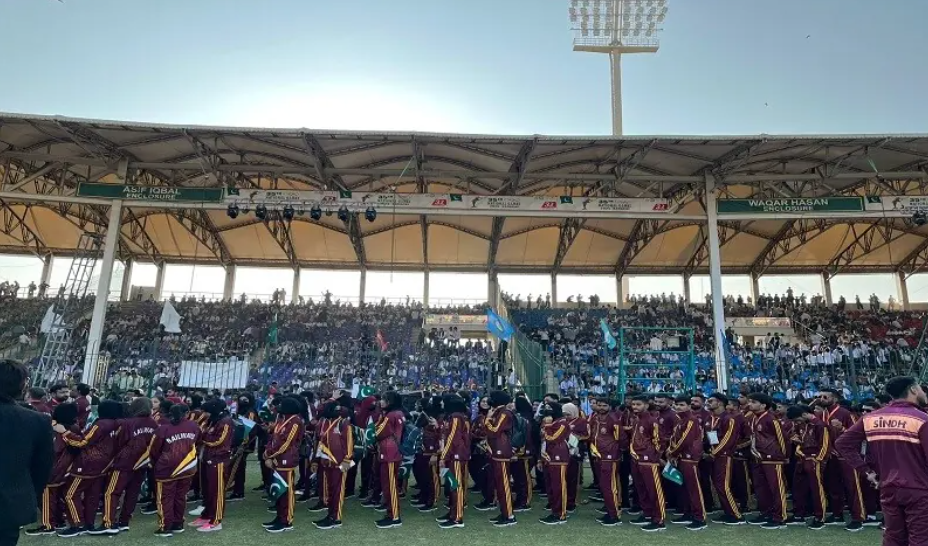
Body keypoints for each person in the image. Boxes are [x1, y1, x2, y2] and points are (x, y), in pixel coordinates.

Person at [836, 376, 928, 546]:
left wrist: (866, 471)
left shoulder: (871, 418)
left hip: (888, 487)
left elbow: (842, 443)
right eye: (922, 389)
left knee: (893, 537)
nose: (924, 392)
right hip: (919, 489)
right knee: (921, 538)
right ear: (913, 390)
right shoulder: (921, 419)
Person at [0, 359, 53, 546]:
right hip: (10, 504)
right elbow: (42, 468)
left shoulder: (36, 420)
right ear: (23, 385)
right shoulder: (37, 421)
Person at [57, 400, 123, 537]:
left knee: (70, 493)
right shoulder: (119, 424)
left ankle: (77, 525)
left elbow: (83, 441)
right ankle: (89, 523)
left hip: (87, 463)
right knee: (92, 495)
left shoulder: (101, 424)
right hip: (104, 464)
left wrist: (65, 433)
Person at [97, 397, 157, 534]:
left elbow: (118, 442)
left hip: (123, 463)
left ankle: (108, 523)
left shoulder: (126, 423)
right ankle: (124, 522)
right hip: (142, 463)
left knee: (112, 492)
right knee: (132, 493)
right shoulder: (153, 424)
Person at [26, 403, 79, 537]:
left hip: (54, 468)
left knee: (46, 496)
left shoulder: (57, 430)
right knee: (57, 495)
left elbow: (54, 449)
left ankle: (48, 525)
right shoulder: (74, 428)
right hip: (65, 467)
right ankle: (59, 520)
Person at [149, 404, 201, 538]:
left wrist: (157, 463)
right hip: (188, 467)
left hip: (167, 469)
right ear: (186, 413)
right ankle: (178, 524)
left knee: (165, 498)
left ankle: (165, 527)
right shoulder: (193, 426)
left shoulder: (163, 429)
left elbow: (153, 450)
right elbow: (197, 441)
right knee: (180, 496)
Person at [746, 392, 790, 530]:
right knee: (761, 488)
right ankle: (766, 513)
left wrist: (783, 456)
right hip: (759, 458)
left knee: (776, 488)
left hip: (773, 459)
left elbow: (782, 438)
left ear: (763, 405)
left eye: (753, 402)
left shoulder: (771, 419)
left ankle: (780, 517)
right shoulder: (754, 418)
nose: (749, 404)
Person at [263, 396, 303, 533]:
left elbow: (286, 443)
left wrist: (269, 455)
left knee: (287, 491)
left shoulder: (295, 422)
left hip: (286, 460)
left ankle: (287, 521)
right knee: (279, 490)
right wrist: (267, 452)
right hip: (277, 459)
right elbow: (274, 438)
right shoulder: (282, 420)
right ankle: (279, 517)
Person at [666, 395, 707, 531]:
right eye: (677, 405)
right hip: (681, 458)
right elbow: (674, 438)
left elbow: (685, 441)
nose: (678, 407)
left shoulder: (691, 420)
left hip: (689, 458)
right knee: (684, 488)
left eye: (682, 405)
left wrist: (673, 452)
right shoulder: (681, 420)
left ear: (689, 406)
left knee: (694, 488)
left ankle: (700, 518)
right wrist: (671, 450)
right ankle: (688, 513)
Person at [314, 394, 354, 530]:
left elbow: (349, 446)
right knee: (331, 491)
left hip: (340, 464)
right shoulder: (328, 424)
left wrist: (345, 466)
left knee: (338, 492)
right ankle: (329, 514)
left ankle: (336, 518)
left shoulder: (343, 424)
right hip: (328, 463)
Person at [786, 404, 830, 530]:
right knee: (798, 487)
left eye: (797, 420)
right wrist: (795, 439)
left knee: (817, 489)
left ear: (804, 414)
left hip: (814, 460)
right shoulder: (802, 424)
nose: (796, 423)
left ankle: (820, 517)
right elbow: (796, 436)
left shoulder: (820, 425)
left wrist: (818, 460)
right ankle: (799, 514)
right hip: (801, 458)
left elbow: (825, 445)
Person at [192, 399, 233, 532]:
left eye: (207, 412)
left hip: (218, 460)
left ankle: (216, 520)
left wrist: (203, 439)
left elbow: (220, 441)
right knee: (208, 490)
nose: (205, 415)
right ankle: (207, 515)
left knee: (217, 491)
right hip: (207, 458)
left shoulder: (226, 421)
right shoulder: (213, 420)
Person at [704, 393, 744, 525]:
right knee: (717, 485)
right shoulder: (710, 419)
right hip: (713, 455)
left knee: (723, 485)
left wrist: (714, 453)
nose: (708, 403)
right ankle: (728, 512)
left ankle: (736, 515)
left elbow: (728, 439)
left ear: (720, 403)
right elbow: (709, 437)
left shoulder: (729, 418)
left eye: (711, 401)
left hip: (723, 456)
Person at [628, 395, 666, 532]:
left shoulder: (652, 421)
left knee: (654, 490)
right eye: (633, 404)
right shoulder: (637, 420)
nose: (635, 407)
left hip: (649, 461)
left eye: (638, 404)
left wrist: (653, 457)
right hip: (636, 459)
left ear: (646, 405)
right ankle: (647, 514)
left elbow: (659, 442)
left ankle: (659, 519)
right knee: (641, 489)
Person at [436, 394, 470, 529]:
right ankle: (452, 512)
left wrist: (443, 456)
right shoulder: (453, 416)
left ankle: (457, 518)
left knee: (456, 486)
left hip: (455, 457)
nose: (442, 405)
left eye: (444, 402)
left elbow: (452, 438)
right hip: (451, 456)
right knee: (451, 485)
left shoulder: (456, 417)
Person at [373, 391, 405, 529]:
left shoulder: (391, 415)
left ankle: (394, 517)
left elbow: (379, 432)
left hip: (389, 453)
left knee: (390, 486)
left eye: (384, 400)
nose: (381, 402)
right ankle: (391, 513)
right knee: (389, 485)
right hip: (392, 453)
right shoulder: (399, 413)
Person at [484, 390, 516, 527]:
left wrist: (487, 420)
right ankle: (504, 511)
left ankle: (509, 515)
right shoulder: (498, 412)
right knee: (499, 485)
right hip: (496, 452)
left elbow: (495, 431)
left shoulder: (504, 413)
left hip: (501, 452)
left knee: (504, 485)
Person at [589, 397, 622, 526]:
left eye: (604, 406)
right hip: (598, 456)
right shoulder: (596, 418)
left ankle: (614, 516)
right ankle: (610, 512)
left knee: (610, 487)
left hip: (610, 457)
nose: (601, 408)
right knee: (604, 486)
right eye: (599, 405)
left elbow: (620, 439)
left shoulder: (613, 419)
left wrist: (614, 453)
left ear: (609, 406)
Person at [539, 401, 570, 525]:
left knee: (559, 487)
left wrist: (546, 427)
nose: (547, 411)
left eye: (549, 408)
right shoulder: (554, 422)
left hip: (559, 458)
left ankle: (560, 515)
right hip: (549, 457)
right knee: (551, 487)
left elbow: (553, 438)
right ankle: (554, 511)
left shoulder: (562, 423)